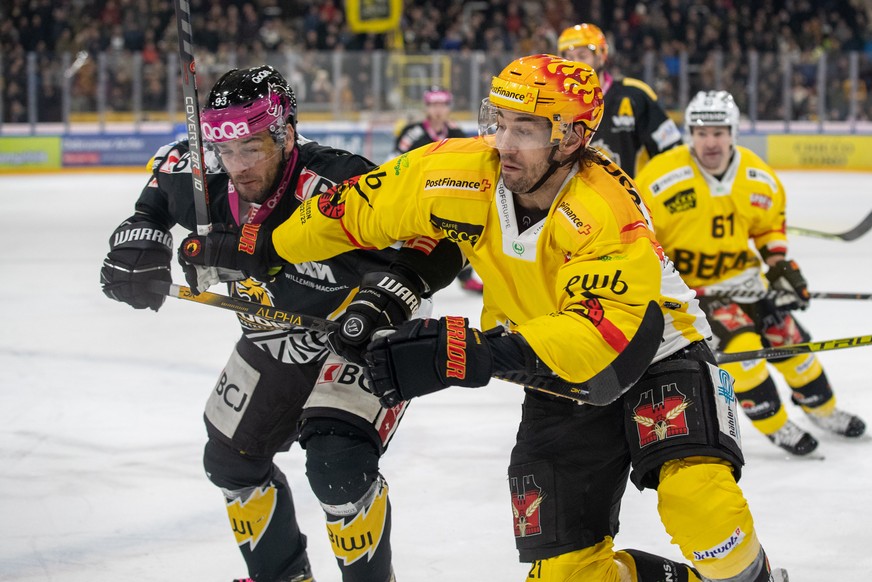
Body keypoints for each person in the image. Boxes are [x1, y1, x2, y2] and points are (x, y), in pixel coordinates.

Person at [182, 55, 788, 582]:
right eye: (498, 120)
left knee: (702, 509)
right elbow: (356, 210)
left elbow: (596, 336)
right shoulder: (460, 168)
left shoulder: (607, 211)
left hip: (655, 355)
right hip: (554, 376)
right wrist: (260, 246)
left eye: (526, 128)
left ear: (572, 138)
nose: (503, 142)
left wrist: (464, 352)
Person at [100, 65, 464, 582]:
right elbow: (153, 202)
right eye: (226, 151)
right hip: (273, 333)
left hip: (357, 334)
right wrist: (140, 242)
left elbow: (438, 241)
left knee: (338, 465)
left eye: (252, 148)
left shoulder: (338, 184)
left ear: (286, 134)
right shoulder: (198, 172)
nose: (238, 166)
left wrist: (385, 299)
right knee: (231, 461)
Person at [635, 90, 866, 456]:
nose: (711, 142)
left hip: (748, 284)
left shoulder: (757, 176)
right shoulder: (660, 178)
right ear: (690, 133)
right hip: (696, 292)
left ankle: (823, 410)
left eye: (719, 132)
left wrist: (780, 267)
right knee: (744, 354)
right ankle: (777, 425)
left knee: (793, 344)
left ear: (733, 132)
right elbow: (639, 236)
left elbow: (769, 227)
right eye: (701, 132)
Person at [557, 23, 682, 179]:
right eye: (568, 58)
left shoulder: (635, 95)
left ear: (601, 56)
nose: (574, 64)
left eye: (582, 56)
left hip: (632, 193)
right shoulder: (555, 103)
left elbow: (673, 151)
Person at [392, 86, 483, 294]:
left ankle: (465, 277)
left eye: (442, 104)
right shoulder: (412, 133)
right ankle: (403, 275)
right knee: (409, 234)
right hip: (415, 193)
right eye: (434, 105)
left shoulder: (456, 132)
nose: (438, 110)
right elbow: (394, 163)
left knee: (458, 231)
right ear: (426, 107)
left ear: (448, 107)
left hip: (446, 193)